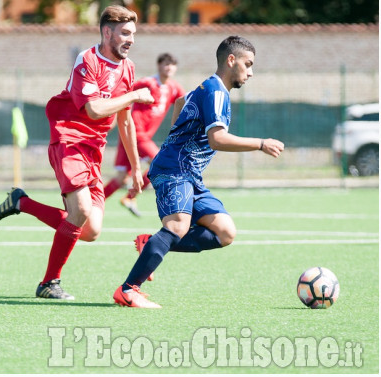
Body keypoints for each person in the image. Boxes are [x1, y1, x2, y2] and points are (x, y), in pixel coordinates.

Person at [0, 5, 154, 300]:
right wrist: (136, 95)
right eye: (125, 33)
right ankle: (49, 283)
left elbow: (125, 119)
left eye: (133, 34)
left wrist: (137, 168)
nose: (131, 39)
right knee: (81, 211)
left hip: (93, 149)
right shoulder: (87, 60)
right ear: (107, 32)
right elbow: (94, 108)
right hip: (69, 139)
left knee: (90, 231)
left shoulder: (128, 68)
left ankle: (21, 203)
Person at [113, 35, 285, 308]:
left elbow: (180, 102)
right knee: (177, 226)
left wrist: (175, 137)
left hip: (188, 173)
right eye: (248, 64)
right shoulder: (216, 91)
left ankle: (153, 244)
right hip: (174, 170)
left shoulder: (209, 87)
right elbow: (217, 138)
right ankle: (128, 290)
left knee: (225, 232)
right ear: (231, 60)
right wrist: (260, 144)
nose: (250, 72)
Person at [103, 53, 185, 218]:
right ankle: (130, 197)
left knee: (121, 178)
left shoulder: (173, 87)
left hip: (138, 137)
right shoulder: (147, 83)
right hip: (136, 133)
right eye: (165, 63)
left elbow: (186, 100)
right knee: (162, 164)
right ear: (159, 65)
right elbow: (122, 92)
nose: (169, 67)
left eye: (172, 64)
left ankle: (94, 204)